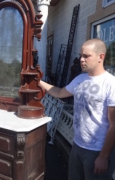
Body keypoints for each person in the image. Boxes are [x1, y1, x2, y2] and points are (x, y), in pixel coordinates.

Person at [40, 38, 115, 180]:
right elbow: (60, 93)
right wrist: (39, 82)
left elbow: (114, 124)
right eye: (81, 55)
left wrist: (103, 157)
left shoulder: (111, 84)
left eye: (86, 56)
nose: (81, 59)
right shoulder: (80, 79)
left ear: (101, 57)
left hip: (97, 151)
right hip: (77, 146)